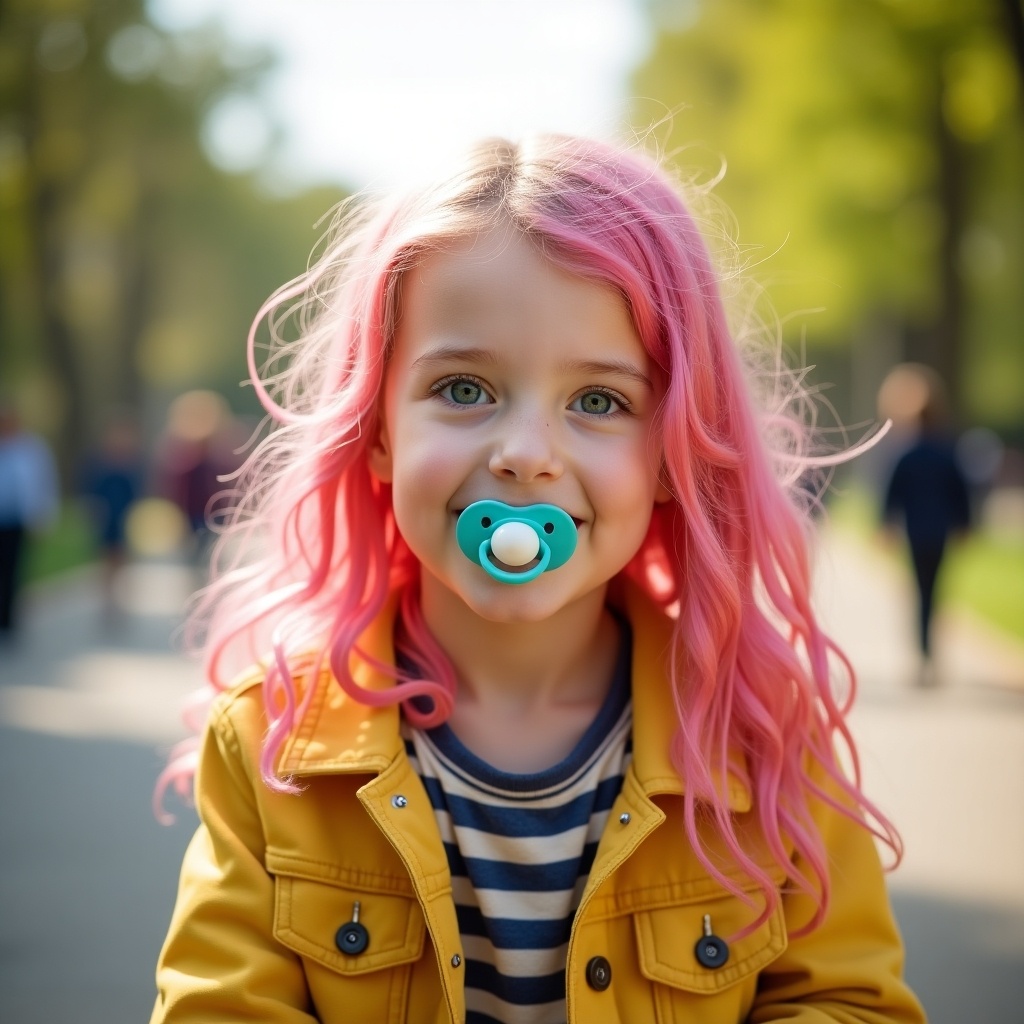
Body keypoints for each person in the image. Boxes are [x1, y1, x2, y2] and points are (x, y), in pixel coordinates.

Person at [151, 136, 924, 1024]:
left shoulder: (759, 729)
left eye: (599, 401)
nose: (524, 456)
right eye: (465, 388)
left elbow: (848, 1002)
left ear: (672, 453)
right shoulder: (271, 743)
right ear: (377, 430)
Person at [878, 363, 971, 675]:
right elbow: (961, 493)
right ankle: (929, 651)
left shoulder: (906, 454)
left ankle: (924, 652)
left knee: (920, 590)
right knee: (935, 590)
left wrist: (885, 525)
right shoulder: (947, 452)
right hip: (939, 532)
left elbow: (892, 494)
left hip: (916, 533)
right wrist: (965, 525)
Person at [0, 401, 59, 639]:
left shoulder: (32, 448)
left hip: (18, 520)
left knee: (14, 569)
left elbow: (44, 482)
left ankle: (8, 619)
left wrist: (44, 516)